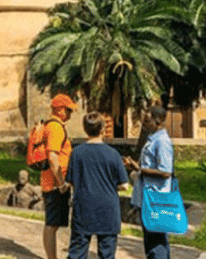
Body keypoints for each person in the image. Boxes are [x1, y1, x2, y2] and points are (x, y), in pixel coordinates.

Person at [65, 111, 129, 259]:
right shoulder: (113, 154)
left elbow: (70, 181)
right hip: (107, 210)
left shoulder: (77, 153)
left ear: (85, 129)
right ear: (102, 129)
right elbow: (124, 185)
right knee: (107, 254)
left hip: (83, 208)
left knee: (77, 252)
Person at [123, 105, 173, 259]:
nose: (144, 124)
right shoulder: (153, 139)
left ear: (158, 120)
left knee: (156, 241)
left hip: (156, 198)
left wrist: (139, 168)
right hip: (148, 196)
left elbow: (165, 172)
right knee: (152, 240)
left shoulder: (162, 142)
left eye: (147, 120)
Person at [41, 93, 77, 259]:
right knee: (52, 224)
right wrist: (61, 183)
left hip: (52, 181)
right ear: (60, 110)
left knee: (53, 223)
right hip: (55, 184)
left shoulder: (53, 126)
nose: (70, 114)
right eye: (68, 110)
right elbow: (53, 157)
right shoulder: (55, 128)